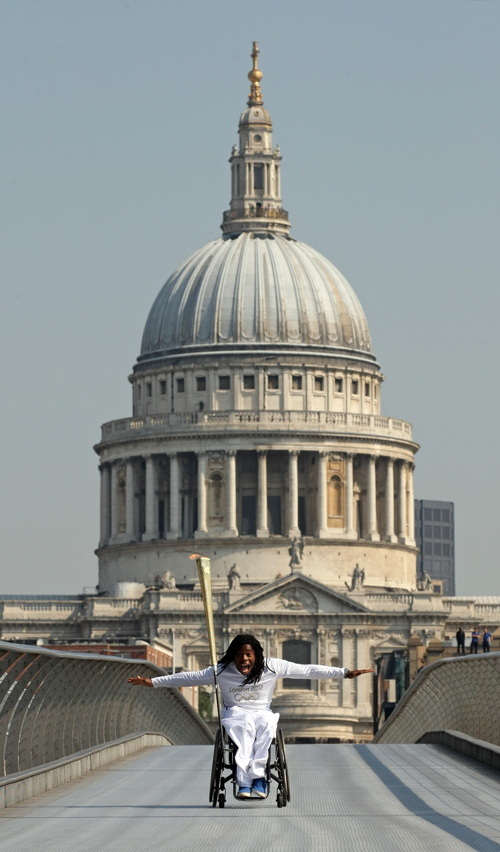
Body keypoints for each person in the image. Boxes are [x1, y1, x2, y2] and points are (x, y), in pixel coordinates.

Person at [128, 633, 373, 800]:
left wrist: (344, 673)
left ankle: (259, 778)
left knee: (266, 727)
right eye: (239, 655)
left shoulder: (272, 666)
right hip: (235, 712)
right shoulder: (221, 671)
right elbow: (187, 677)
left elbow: (307, 670)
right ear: (232, 656)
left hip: (262, 712)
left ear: (256, 654)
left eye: (248, 655)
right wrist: (153, 682)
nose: (244, 659)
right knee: (244, 729)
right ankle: (244, 782)